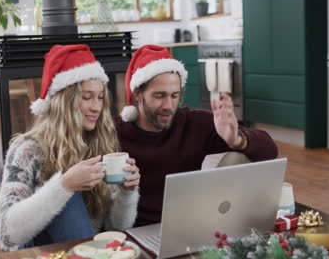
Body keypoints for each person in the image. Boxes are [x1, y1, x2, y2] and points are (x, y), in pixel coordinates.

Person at [0, 45, 140, 251]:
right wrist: (64, 185)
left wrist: (127, 193)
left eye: (100, 98)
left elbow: (116, 228)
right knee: (66, 195)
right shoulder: (28, 150)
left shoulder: (100, 143)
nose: (96, 107)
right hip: (42, 252)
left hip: (89, 249)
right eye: (87, 97)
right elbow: (6, 235)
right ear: (64, 100)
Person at [115, 45, 278, 226]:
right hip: (136, 231)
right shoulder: (116, 132)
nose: (168, 105)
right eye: (159, 95)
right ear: (138, 94)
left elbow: (270, 151)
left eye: (175, 95)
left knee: (236, 156)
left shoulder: (194, 123)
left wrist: (237, 140)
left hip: (189, 226)